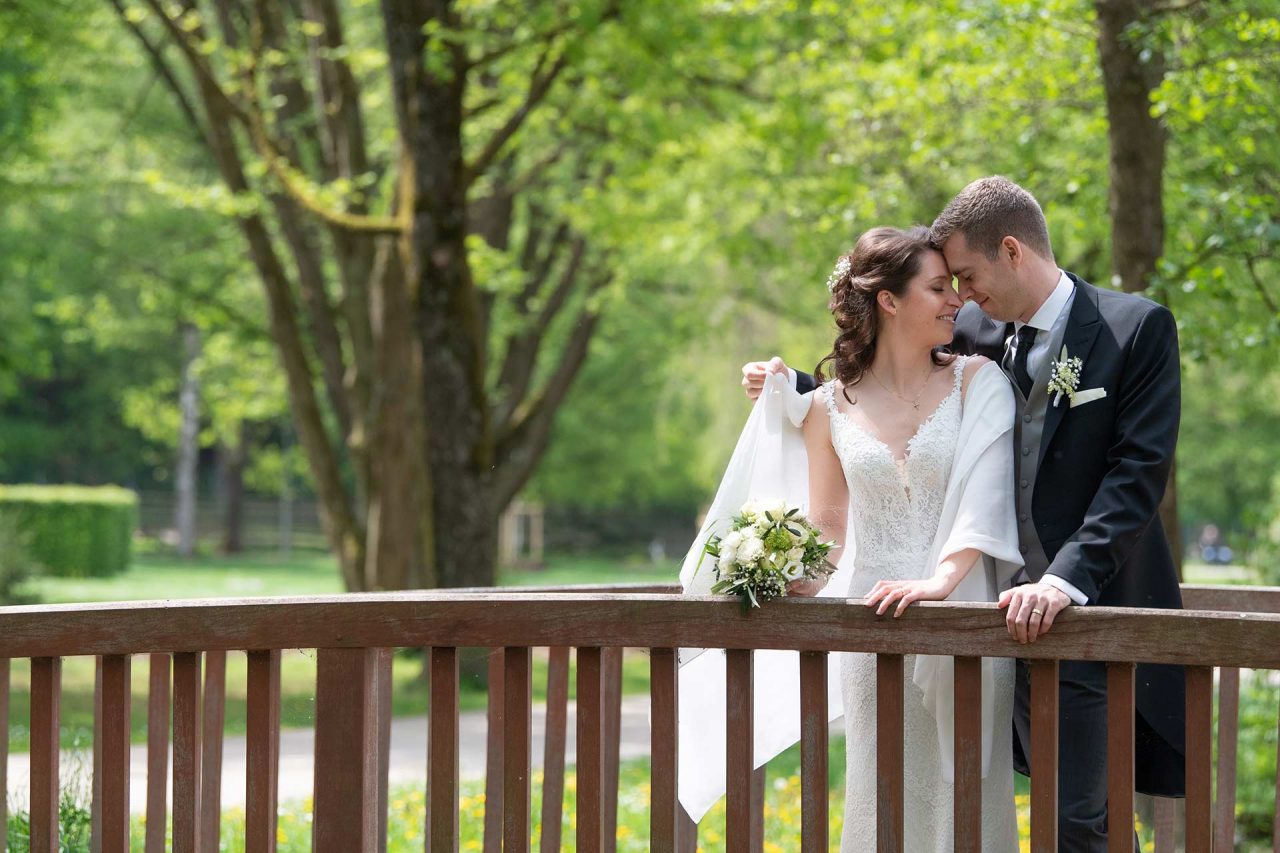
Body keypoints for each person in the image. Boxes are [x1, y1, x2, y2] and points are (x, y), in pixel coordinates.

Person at [744, 177, 1186, 851]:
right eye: (946, 284)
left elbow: (1137, 474)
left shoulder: (1135, 328)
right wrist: (796, 387)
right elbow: (897, 386)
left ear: (1012, 251)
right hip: (981, 617)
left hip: (1082, 613)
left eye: (968, 277)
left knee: (1072, 822)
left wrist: (1062, 580)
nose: (960, 296)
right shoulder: (976, 330)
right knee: (939, 805)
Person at [678, 224, 1024, 850]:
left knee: (970, 806)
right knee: (883, 801)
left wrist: (941, 581)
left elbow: (987, 496)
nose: (957, 301)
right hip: (872, 629)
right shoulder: (828, 408)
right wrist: (774, 572)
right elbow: (830, 531)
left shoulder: (981, 382)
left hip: (965, 618)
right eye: (938, 288)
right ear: (889, 300)